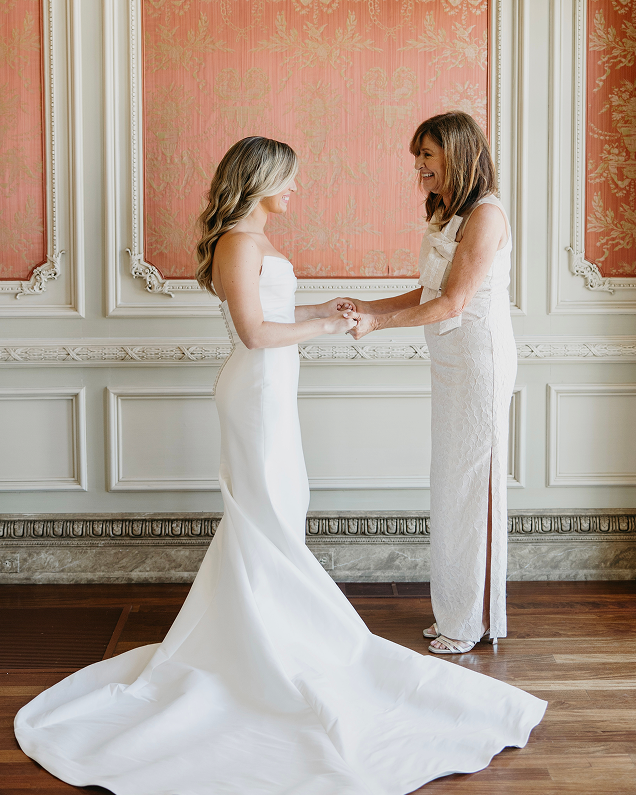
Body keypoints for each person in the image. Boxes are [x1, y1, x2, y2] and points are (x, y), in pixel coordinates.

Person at [15, 136, 545, 793]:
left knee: (279, 512)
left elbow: (273, 313)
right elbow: (255, 332)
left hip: (273, 389)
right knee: (266, 512)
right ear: (261, 180)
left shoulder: (255, 239)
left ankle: (270, 630)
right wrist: (328, 327)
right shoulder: (239, 243)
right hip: (256, 392)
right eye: (288, 178)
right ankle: (272, 641)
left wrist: (325, 310)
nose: (295, 188)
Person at [347, 112, 516, 655]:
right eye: (416, 155)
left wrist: (376, 325)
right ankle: (459, 611)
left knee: (472, 488)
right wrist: (367, 306)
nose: (418, 166)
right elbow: (428, 293)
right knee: (451, 485)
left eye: (426, 154)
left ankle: (468, 621)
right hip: (451, 363)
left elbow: (453, 302)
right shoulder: (450, 213)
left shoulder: (485, 215)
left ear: (457, 154)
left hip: (479, 363)